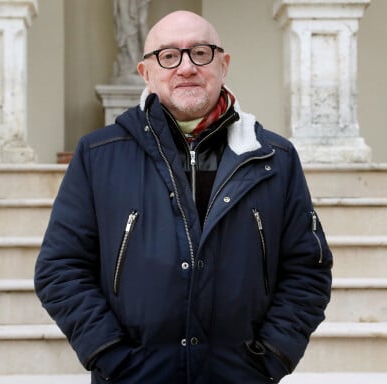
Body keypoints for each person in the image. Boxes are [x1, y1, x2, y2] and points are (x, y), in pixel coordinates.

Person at [35, 10, 332, 384]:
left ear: (223, 65)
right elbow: (60, 268)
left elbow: (307, 269)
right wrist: (112, 356)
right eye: (169, 55)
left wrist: (270, 357)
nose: (186, 67)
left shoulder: (275, 158)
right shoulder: (99, 155)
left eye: (201, 53)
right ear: (146, 73)